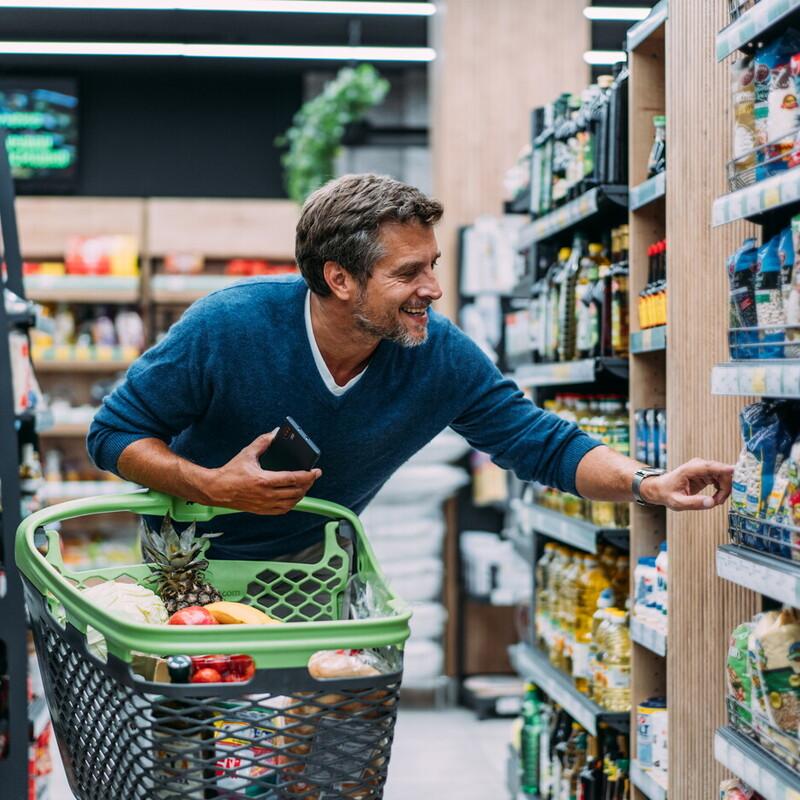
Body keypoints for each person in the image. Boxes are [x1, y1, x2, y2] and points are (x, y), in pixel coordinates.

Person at [87, 173, 732, 559]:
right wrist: (211, 486)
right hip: (186, 564)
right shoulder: (228, 327)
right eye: (407, 273)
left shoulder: (438, 355)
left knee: (315, 765)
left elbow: (542, 442)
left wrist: (648, 482)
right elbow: (111, 434)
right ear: (339, 278)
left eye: (433, 266)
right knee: (188, 761)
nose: (433, 289)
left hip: (316, 571)